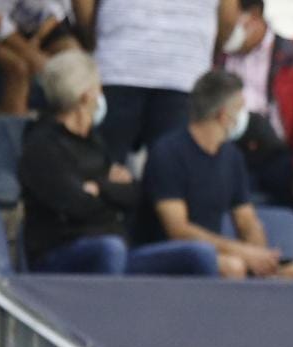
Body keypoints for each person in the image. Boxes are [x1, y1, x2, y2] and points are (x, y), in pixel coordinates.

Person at [20, 51, 220, 276]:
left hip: (117, 250)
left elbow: (134, 193)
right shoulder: (42, 144)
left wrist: (99, 187)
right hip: (61, 255)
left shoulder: (93, 141)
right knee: (110, 249)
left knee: (200, 254)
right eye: (98, 89)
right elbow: (77, 203)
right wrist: (110, 188)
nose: (100, 96)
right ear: (85, 96)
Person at [137, 68, 293, 280]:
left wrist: (262, 257)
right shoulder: (168, 153)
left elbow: (246, 219)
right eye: (240, 108)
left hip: (217, 254)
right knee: (232, 267)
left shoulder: (232, 157)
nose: (244, 117)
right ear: (223, 114)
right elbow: (178, 229)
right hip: (166, 252)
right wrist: (243, 253)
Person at [216, 0, 293, 228]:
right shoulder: (212, 55)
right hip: (226, 154)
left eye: (225, 20)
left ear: (252, 17)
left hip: (280, 156)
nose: (220, 28)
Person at [74, 0, 240, 164]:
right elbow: (228, 17)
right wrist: (204, 48)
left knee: (100, 172)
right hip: (185, 72)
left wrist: (94, 37)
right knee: (172, 179)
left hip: (118, 63)